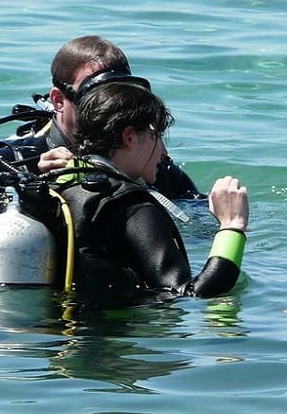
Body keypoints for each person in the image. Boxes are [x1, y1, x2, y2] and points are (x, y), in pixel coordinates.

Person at [0, 35, 204, 205]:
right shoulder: (11, 164)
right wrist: (32, 198)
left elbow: (200, 222)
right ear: (58, 100)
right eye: (94, 98)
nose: (111, 108)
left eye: (119, 97)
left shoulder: (146, 159)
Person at [48, 80, 248, 301]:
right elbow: (193, 294)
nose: (164, 152)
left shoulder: (63, 181)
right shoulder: (131, 206)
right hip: (112, 332)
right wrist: (232, 226)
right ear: (129, 137)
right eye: (157, 136)